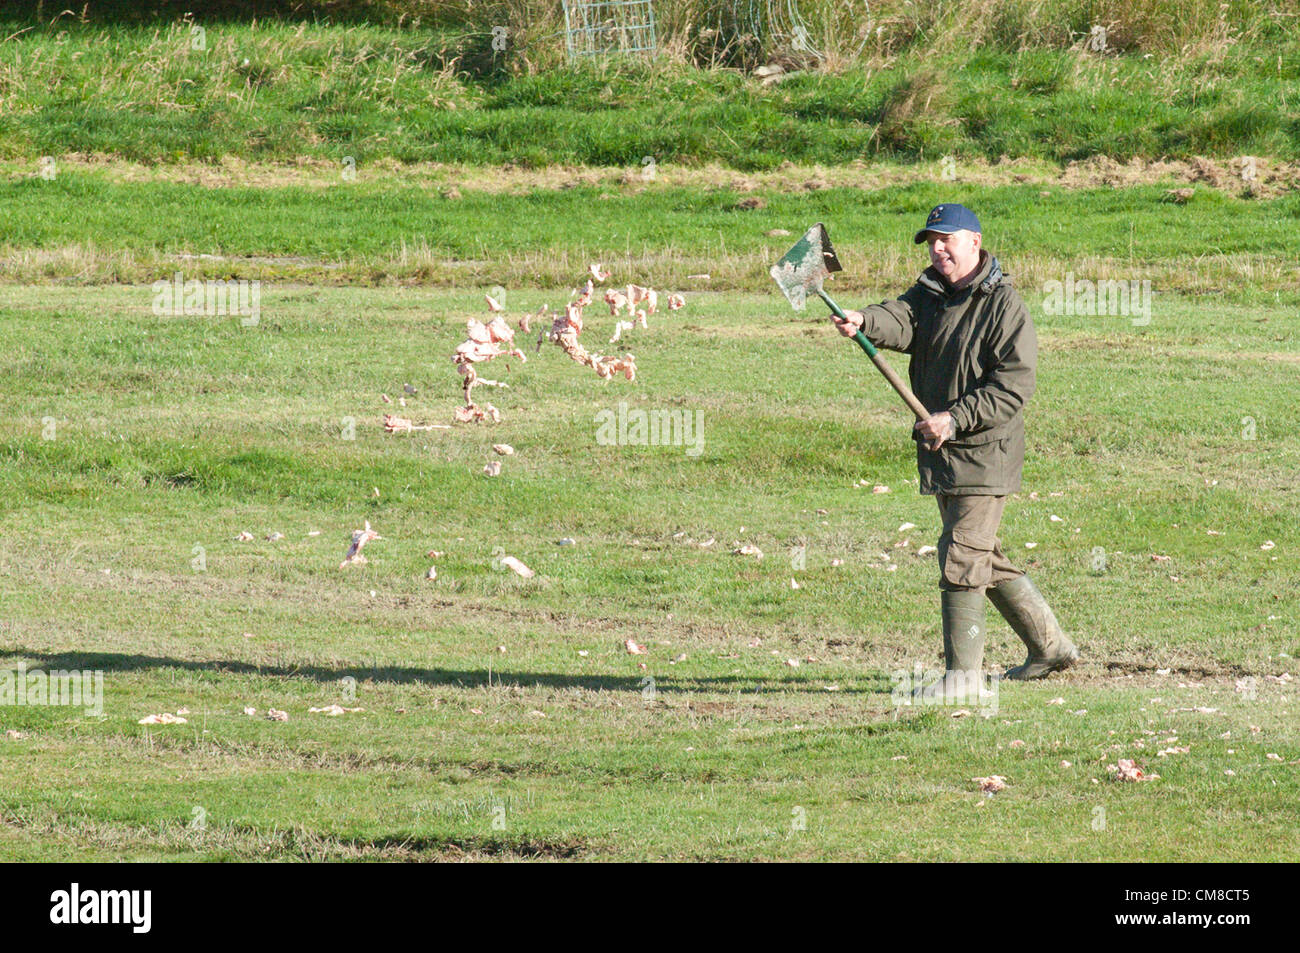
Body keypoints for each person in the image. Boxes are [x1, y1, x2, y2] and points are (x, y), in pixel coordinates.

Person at [832, 203, 1079, 699]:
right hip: (943, 451)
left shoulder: (1004, 305)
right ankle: (1050, 646)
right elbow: (900, 320)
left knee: (961, 557)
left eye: (945, 239)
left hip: (984, 450)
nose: (936, 248)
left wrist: (955, 418)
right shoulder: (929, 294)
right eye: (930, 241)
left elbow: (1013, 386)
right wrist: (864, 320)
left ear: (974, 241)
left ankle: (963, 679)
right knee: (982, 556)